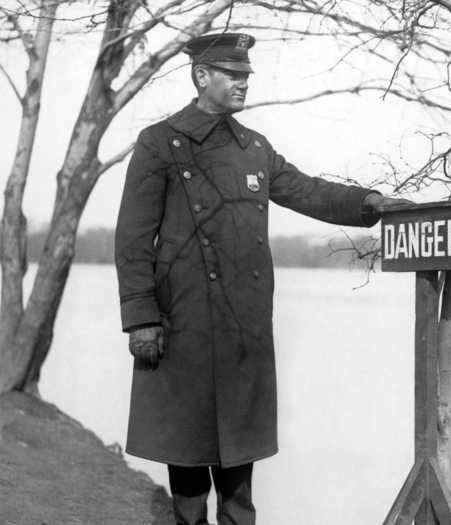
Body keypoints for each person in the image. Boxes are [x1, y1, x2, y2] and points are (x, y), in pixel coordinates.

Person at [114, 32, 406, 525]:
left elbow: (306, 190)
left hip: (243, 333)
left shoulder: (254, 148)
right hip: (183, 330)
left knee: (239, 485)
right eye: (233, 75)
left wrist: (370, 204)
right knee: (187, 482)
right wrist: (142, 318)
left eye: (246, 75)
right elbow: (133, 240)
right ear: (201, 76)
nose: (244, 83)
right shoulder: (160, 144)